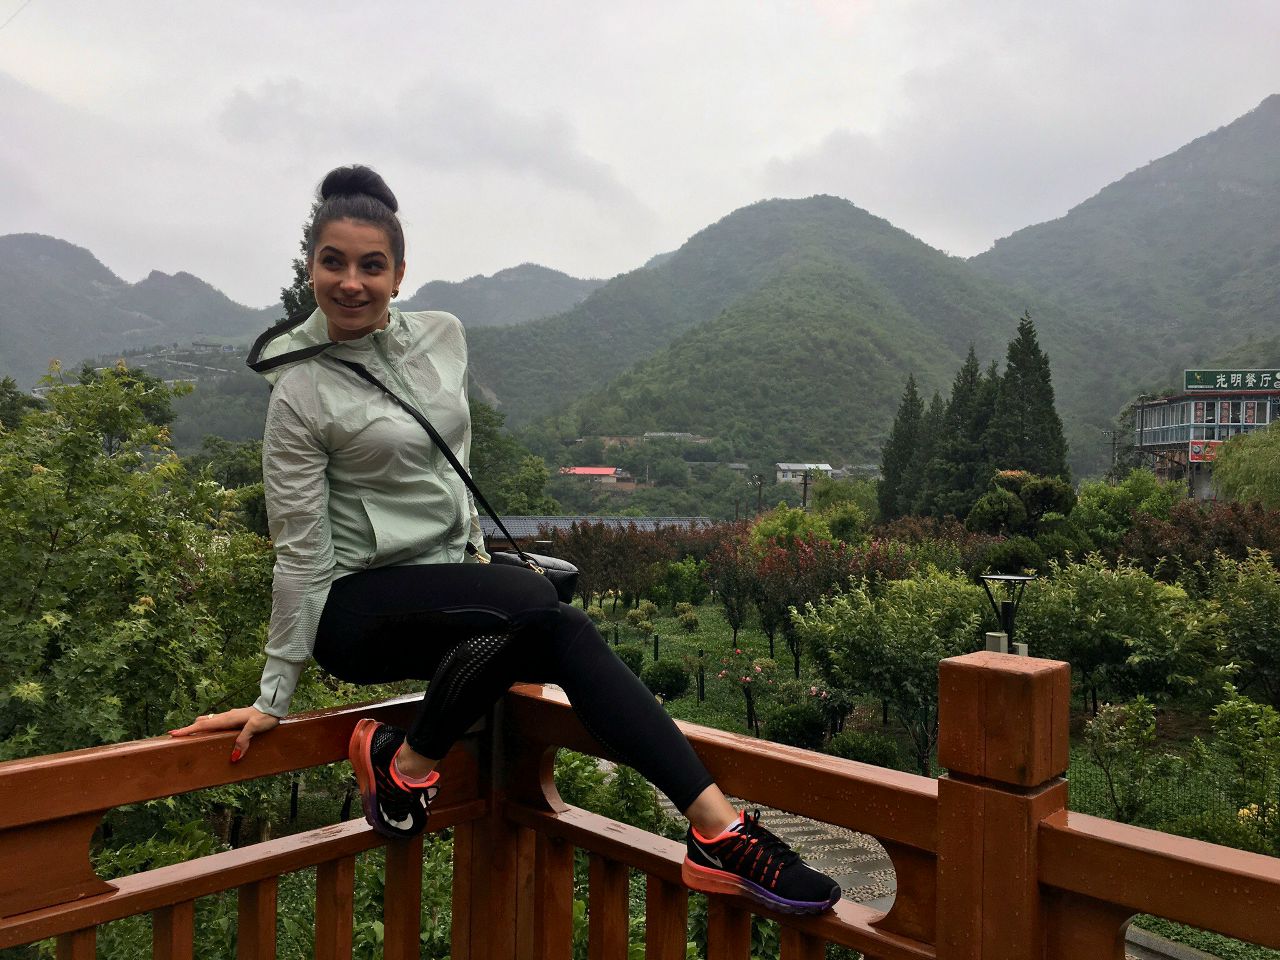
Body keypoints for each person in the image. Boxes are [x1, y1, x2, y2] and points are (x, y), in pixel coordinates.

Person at [170, 165, 840, 916]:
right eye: (334, 262)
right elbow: (300, 549)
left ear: (399, 274)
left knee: (558, 626)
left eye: (371, 265)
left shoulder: (443, 337)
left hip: (451, 585)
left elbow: (448, 469)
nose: (351, 282)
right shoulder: (299, 390)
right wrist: (273, 694)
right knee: (532, 603)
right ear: (311, 267)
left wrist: (473, 561)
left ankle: (710, 830)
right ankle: (706, 829)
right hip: (355, 608)